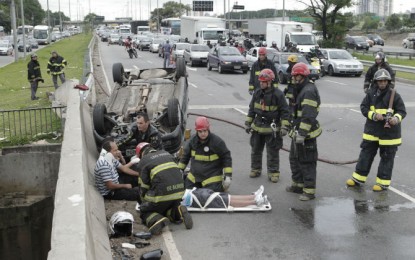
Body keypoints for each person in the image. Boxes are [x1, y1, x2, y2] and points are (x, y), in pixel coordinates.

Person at [346, 69, 406, 192]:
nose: (382, 83)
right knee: (365, 156)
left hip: (389, 135)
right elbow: (363, 107)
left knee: (386, 159)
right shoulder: (371, 94)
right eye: (380, 81)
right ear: (376, 82)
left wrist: (396, 118)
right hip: (372, 132)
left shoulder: (394, 95)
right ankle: (358, 179)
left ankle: (382, 183)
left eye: (384, 81)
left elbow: (402, 111)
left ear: (388, 82)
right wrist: (373, 115)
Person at [135, 142, 193, 235]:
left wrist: (144, 202)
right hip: (179, 192)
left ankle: (157, 219)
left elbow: (143, 185)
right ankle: (177, 211)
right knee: (168, 207)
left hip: (162, 195)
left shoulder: (143, 161)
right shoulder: (167, 153)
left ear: (140, 154)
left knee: (145, 210)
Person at [245, 69, 290, 183]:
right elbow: (252, 109)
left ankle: (273, 172)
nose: (261, 83)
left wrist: (284, 126)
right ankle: (255, 169)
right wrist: (248, 123)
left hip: (271, 128)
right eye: (260, 81)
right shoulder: (257, 93)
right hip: (257, 127)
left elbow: (285, 112)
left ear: (270, 82)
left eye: (263, 81)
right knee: (255, 150)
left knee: (272, 152)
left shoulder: (278, 94)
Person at [285, 63, 322, 201]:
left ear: (302, 76)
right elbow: (293, 111)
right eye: (294, 76)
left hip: (306, 134)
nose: (294, 78)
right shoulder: (299, 89)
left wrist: (302, 133)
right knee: (294, 159)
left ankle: (309, 191)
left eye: (296, 76)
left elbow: (308, 115)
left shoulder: (308, 91)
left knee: (307, 162)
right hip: (298, 131)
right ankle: (298, 185)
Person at [178, 116, 233, 192]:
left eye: (205, 131)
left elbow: (226, 157)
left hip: (211, 178)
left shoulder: (217, 142)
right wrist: (180, 170)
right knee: (187, 195)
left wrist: (228, 176)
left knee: (210, 198)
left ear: (208, 129)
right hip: (194, 178)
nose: (203, 133)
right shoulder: (192, 141)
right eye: (200, 131)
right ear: (196, 131)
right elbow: (185, 157)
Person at [181, 185, 268, 209]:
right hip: (192, 199)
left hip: (192, 193)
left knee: (224, 196)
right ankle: (255, 202)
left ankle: (253, 196)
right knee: (225, 200)